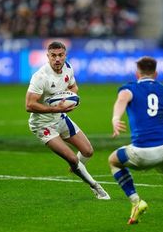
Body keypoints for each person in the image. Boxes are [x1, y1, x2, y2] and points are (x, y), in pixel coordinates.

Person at [108, 56, 163, 224]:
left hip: (141, 152)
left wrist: (115, 118)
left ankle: (136, 202)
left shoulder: (130, 88)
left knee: (113, 160)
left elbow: (122, 98)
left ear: (137, 73)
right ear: (156, 74)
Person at [26, 41, 110, 200]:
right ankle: (96, 187)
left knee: (88, 151)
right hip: (43, 125)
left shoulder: (68, 68)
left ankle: (77, 168)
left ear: (65, 55)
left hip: (61, 117)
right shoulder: (40, 77)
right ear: (48, 56)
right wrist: (55, 108)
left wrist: (71, 100)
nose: (57, 59)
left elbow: (74, 88)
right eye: (53, 56)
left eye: (60, 55)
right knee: (72, 157)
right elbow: (29, 105)